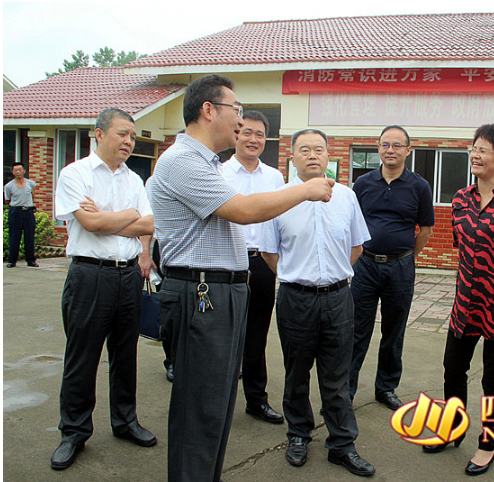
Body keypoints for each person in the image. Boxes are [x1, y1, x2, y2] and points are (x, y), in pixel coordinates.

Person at [146, 74, 334, 482]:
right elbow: (245, 211)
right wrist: (306, 189)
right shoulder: (181, 160)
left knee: (215, 405)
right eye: (236, 110)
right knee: (200, 407)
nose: (241, 121)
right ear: (208, 110)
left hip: (220, 291)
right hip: (202, 293)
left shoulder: (206, 164)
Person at [260, 129, 374, 477]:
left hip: (339, 299)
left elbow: (357, 246)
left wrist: (331, 278)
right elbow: (269, 252)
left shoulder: (346, 196)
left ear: (328, 156)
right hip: (296, 300)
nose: (312, 155)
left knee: (337, 376)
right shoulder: (278, 199)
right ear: (292, 157)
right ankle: (298, 433)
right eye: (304, 150)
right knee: (296, 373)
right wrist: (299, 277)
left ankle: (342, 444)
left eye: (319, 149)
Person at [422, 124, 494, 477]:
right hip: (466, 300)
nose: (475, 154)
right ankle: (452, 429)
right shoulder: (460, 199)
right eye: (474, 148)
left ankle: (489, 441)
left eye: (483, 149)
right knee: (453, 368)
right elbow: (464, 249)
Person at [51, 108, 157, 470]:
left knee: (125, 354)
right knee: (82, 358)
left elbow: (149, 224)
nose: (129, 142)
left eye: (133, 136)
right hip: (90, 276)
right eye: (122, 134)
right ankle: (74, 432)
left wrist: (107, 218)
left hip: (128, 276)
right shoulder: (75, 174)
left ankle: (125, 421)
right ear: (99, 134)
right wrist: (127, 216)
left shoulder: (134, 179)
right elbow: (90, 224)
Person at [348, 125, 435, 410]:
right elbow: (352, 224)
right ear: (378, 148)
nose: (391, 150)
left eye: (397, 145)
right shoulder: (363, 184)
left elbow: (426, 230)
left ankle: (386, 388)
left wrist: (406, 256)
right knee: (356, 330)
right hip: (365, 266)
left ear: (408, 150)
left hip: (400, 268)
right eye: (385, 144)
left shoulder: (419, 186)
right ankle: (345, 390)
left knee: (393, 332)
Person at [220, 110, 285, 424]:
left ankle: (256, 400)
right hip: (225, 263)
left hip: (262, 264)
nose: (253, 139)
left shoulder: (274, 178)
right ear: (236, 135)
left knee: (257, 337)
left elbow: (280, 222)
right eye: (247, 132)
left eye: (260, 134)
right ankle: (218, 403)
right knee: (222, 336)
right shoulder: (218, 173)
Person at [4, 162, 39, 267]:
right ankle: (12, 261)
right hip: (15, 211)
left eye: (20, 169)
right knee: (14, 236)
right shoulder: (8, 186)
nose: (18, 172)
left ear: (24, 171)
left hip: (28, 212)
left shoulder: (31, 184)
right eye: (16, 170)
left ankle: (30, 260)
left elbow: (33, 196)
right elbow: (7, 200)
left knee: (29, 237)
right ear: (12, 172)